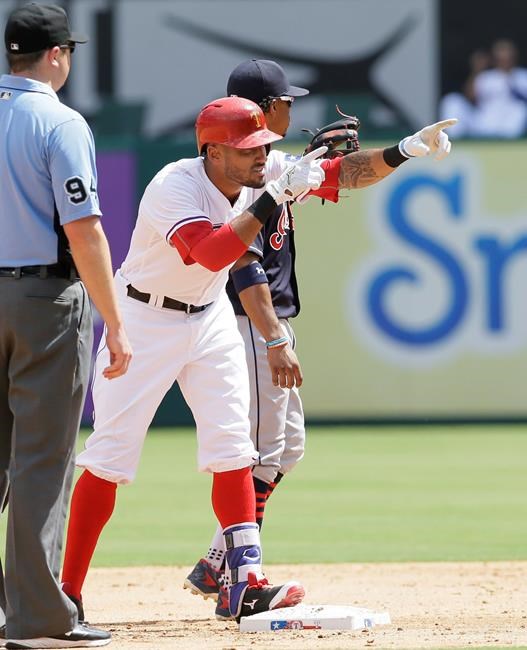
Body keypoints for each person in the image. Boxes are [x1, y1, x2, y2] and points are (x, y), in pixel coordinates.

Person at [59, 88, 456, 627]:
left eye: (263, 145)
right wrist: (273, 197)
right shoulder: (175, 185)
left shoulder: (262, 174)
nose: (261, 155)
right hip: (145, 318)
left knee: (233, 450)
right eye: (247, 148)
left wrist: (406, 149)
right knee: (109, 458)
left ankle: (244, 583)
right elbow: (212, 252)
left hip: (207, 317)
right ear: (212, 152)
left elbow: (344, 173)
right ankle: (68, 592)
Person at [0, 3, 132, 649]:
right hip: (43, 300)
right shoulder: (59, 120)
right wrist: (117, 323)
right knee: (42, 462)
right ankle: (38, 621)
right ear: (55, 55)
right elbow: (84, 231)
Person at [183, 59, 329, 619]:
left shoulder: (274, 164)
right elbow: (243, 262)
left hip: (268, 323)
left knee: (286, 447)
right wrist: (272, 336)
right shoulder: (241, 177)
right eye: (286, 101)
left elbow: (344, 172)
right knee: (255, 450)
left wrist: (403, 151)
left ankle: (218, 560)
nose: (293, 109)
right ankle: (241, 578)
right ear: (264, 109)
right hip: (247, 323)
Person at [471, 39, 527, 138]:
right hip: (486, 120)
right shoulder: (486, 77)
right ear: (495, 59)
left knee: (520, 109)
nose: (505, 60)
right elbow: (470, 99)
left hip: (513, 122)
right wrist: (477, 70)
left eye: (508, 56)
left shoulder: (523, 76)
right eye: (501, 57)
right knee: (452, 101)